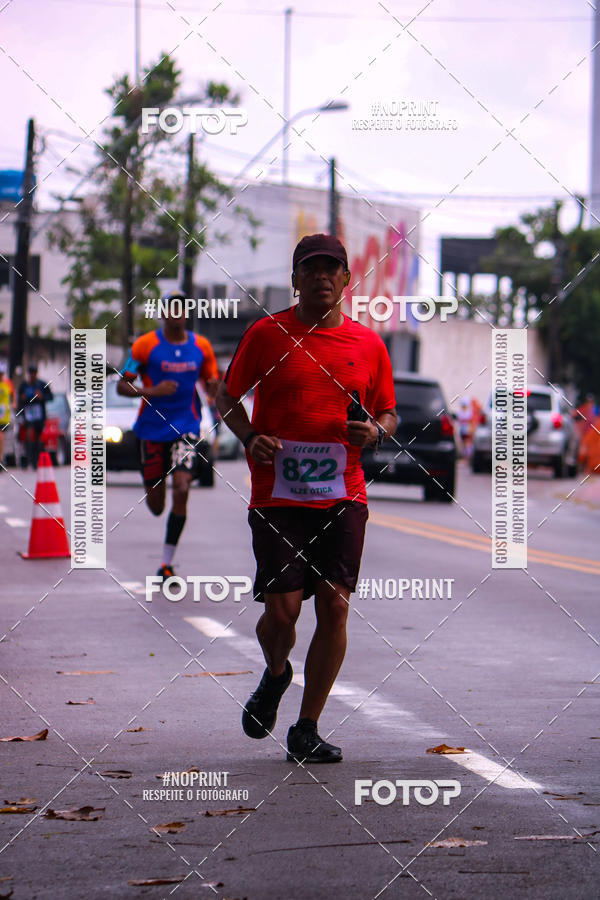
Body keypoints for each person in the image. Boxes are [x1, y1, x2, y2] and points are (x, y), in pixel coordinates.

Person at [216, 233, 397, 764]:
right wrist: (250, 438)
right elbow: (227, 396)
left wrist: (377, 432)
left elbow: (386, 411)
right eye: (309, 268)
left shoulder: (368, 345)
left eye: (331, 268)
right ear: (295, 279)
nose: (321, 276)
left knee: (334, 606)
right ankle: (276, 673)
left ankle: (307, 728)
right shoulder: (267, 335)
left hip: (344, 493)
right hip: (277, 494)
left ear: (346, 279)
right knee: (283, 611)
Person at [117, 290, 219, 580]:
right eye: (172, 307)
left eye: (183, 307)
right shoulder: (144, 346)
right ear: (163, 312)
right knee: (156, 505)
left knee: (183, 488)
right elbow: (122, 386)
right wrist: (152, 391)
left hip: (185, 427)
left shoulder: (202, 347)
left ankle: (166, 563)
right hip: (151, 429)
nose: (177, 312)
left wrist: (215, 388)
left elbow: (211, 380)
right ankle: (153, 479)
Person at [17, 364, 53, 469]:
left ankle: (37, 460)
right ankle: (29, 460)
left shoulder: (42, 384)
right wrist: (22, 399)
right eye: (31, 373)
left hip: (40, 415)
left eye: (34, 373)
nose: (32, 375)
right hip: (28, 414)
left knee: (38, 437)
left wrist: (42, 397)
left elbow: (50, 397)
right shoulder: (24, 385)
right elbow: (18, 400)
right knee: (29, 435)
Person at [0, 362, 15, 469]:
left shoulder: (8, 383)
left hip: (3, 416)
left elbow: (13, 396)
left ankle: (1, 458)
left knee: (1, 435)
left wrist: (13, 404)